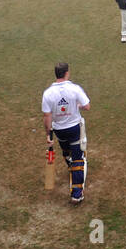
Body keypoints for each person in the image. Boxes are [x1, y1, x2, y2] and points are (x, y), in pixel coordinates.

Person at [41, 62, 90, 204]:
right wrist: (77, 105)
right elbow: (87, 106)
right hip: (74, 128)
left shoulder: (48, 93)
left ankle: (70, 164)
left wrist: (48, 135)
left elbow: (47, 116)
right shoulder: (74, 89)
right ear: (67, 73)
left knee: (66, 151)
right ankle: (76, 194)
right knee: (79, 157)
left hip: (59, 131)